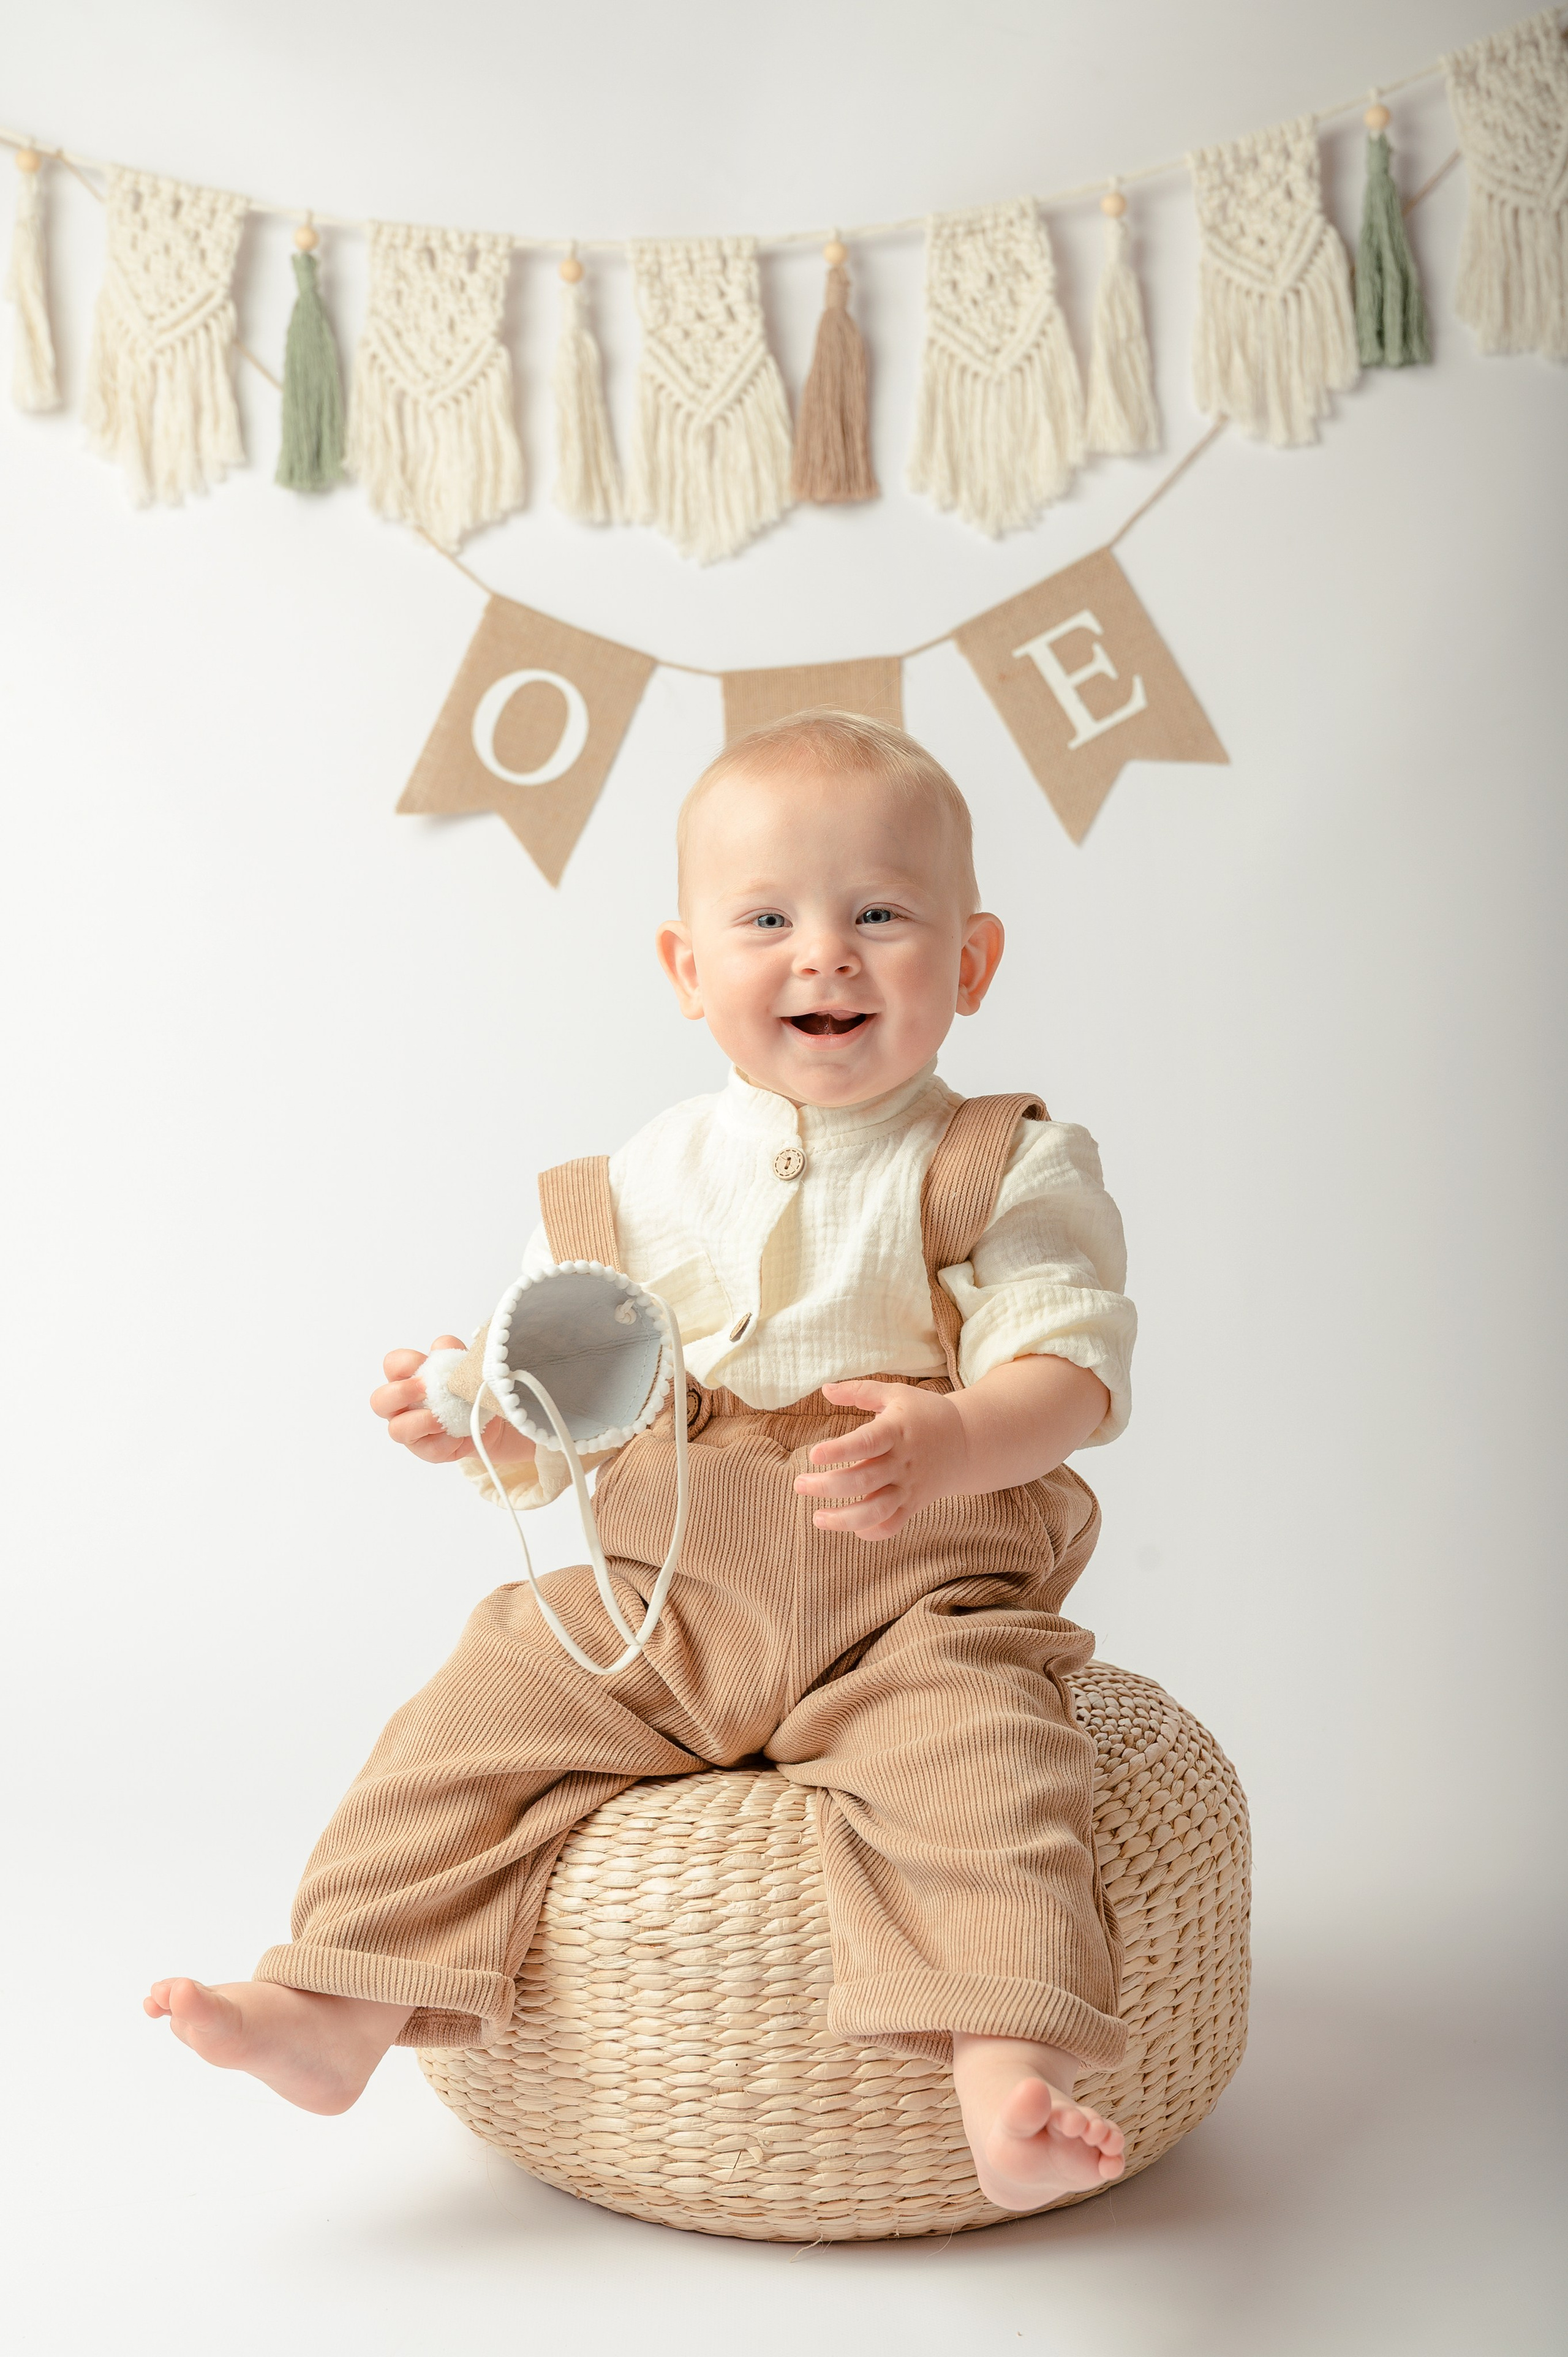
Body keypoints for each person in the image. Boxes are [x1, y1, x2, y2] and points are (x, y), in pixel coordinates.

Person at [147, 710, 1137, 2213]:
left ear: (971, 961)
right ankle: (337, 2003)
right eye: (766, 920)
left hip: (913, 1604)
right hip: (663, 1596)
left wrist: (957, 1435)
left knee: (989, 1777)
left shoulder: (1003, 1161)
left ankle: (1007, 2074)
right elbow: (564, 1399)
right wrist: (477, 1411)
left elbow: (1070, 1366)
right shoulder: (627, 1187)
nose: (826, 955)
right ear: (685, 970)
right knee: (475, 1708)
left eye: (881, 913)